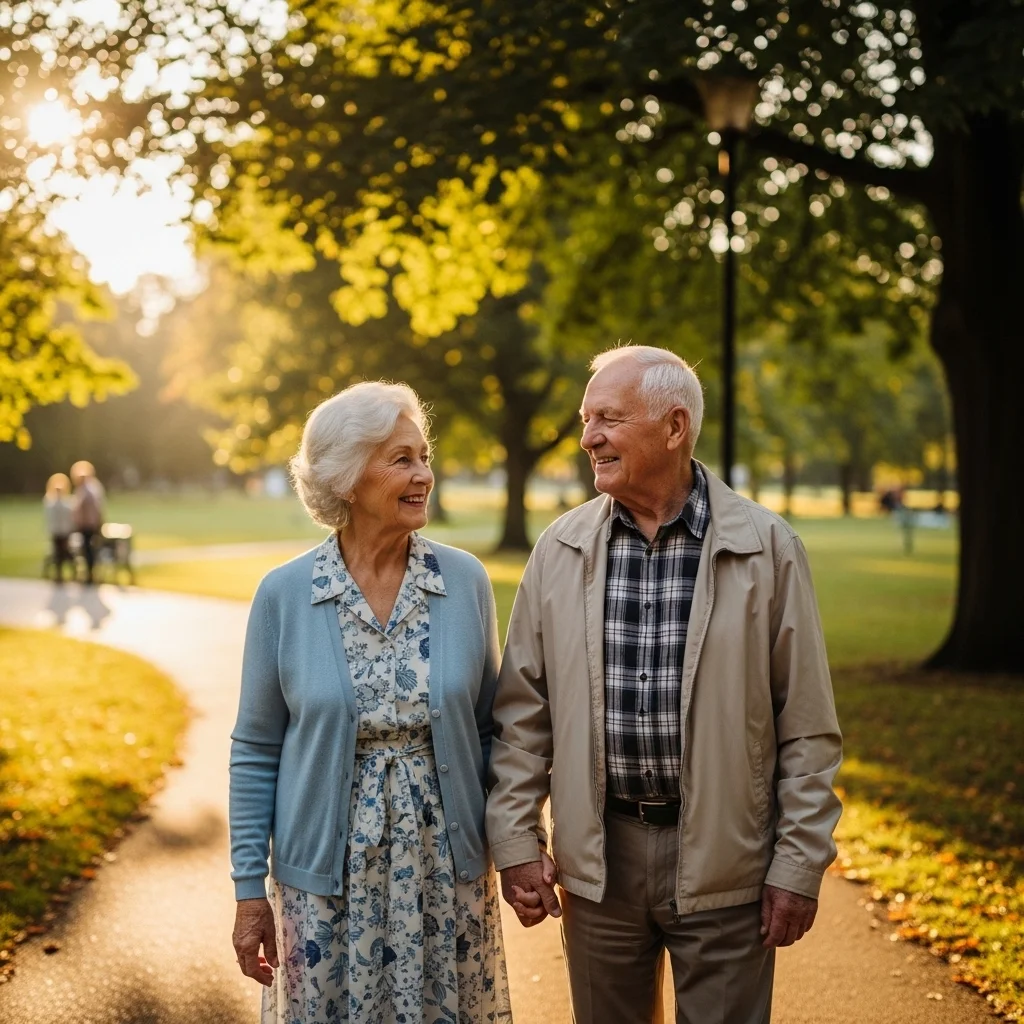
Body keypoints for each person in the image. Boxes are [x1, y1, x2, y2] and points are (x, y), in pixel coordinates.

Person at [486, 346, 843, 1024]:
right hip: (599, 866)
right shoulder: (559, 550)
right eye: (586, 420)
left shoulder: (768, 549)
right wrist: (516, 842)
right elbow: (522, 718)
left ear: (675, 426)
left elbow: (807, 728)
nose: (588, 438)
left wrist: (798, 865)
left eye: (609, 419)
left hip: (729, 866)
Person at [229, 381, 512, 1024]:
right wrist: (249, 891)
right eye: (401, 460)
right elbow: (255, 750)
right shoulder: (285, 594)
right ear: (347, 479)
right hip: (323, 884)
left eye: (424, 457)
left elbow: (492, 732)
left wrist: (518, 844)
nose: (424, 475)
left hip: (445, 872)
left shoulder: (464, 581)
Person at [70, 460, 105, 584]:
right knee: (87, 549)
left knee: (89, 550)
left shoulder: (88, 490)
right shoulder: (88, 489)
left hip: (88, 525)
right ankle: (89, 573)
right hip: (88, 524)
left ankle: (90, 574)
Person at [43, 473, 75, 582]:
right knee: (57, 553)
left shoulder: (67, 501)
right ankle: (58, 574)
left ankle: (70, 572)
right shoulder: (51, 501)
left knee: (66, 552)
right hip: (57, 531)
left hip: (65, 531)